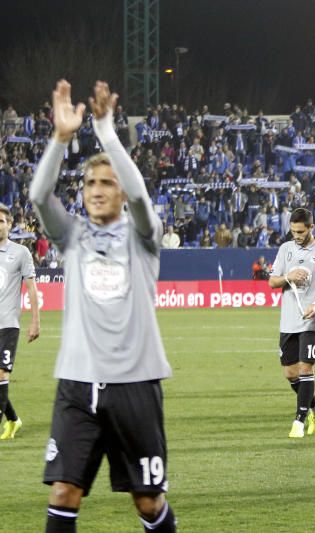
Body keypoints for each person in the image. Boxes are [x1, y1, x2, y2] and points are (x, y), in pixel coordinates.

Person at [30, 80, 176, 531]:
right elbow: (38, 197)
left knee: (148, 502)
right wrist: (60, 139)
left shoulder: (142, 239)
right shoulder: (72, 235)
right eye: (90, 181)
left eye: (106, 182)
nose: (95, 189)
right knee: (63, 492)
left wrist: (107, 133)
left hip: (134, 384)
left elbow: (139, 197)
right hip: (77, 383)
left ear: (119, 192)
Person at [267, 207, 315, 438]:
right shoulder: (285, 249)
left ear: (311, 227)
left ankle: (299, 420)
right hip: (288, 320)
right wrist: (289, 277)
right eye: (293, 231)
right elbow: (272, 282)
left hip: (312, 321)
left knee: (306, 368)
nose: (296, 235)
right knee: (290, 373)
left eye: (300, 231)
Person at [0, 203, 41, 441]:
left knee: (2, 374)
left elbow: (32, 289)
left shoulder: (20, 253)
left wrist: (35, 321)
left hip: (7, 324)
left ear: (9, 224)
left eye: (2, 221)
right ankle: (14, 420)